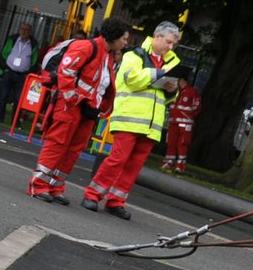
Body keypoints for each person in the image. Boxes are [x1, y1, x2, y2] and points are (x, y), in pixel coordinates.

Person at [81, 23, 184, 220]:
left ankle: (116, 201)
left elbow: (168, 98)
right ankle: (92, 195)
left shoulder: (171, 61)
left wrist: (173, 90)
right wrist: (158, 74)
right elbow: (131, 80)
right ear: (157, 37)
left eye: (174, 44)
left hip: (151, 124)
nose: (171, 47)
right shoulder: (134, 55)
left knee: (134, 166)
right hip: (129, 119)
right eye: (169, 42)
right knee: (117, 160)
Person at [26, 18, 132, 204]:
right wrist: (70, 97)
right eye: (124, 38)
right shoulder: (87, 47)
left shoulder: (106, 54)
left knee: (74, 149)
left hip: (87, 109)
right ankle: (39, 184)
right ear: (114, 37)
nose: (125, 42)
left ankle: (55, 186)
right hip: (71, 106)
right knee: (57, 143)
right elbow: (66, 70)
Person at [0, 23, 39, 124]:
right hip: (9, 71)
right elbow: (4, 53)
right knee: (3, 96)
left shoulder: (33, 44)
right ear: (19, 29)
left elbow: (34, 61)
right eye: (22, 29)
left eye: (27, 30)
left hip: (22, 76)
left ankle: (15, 121)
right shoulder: (12, 39)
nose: (24, 31)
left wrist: (29, 72)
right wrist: (2, 68)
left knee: (18, 100)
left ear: (30, 32)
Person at [162, 75, 203, 172]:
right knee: (171, 142)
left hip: (185, 123)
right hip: (173, 121)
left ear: (182, 80)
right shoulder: (175, 92)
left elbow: (196, 107)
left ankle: (180, 165)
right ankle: (168, 162)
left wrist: (187, 115)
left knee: (182, 143)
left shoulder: (192, 92)